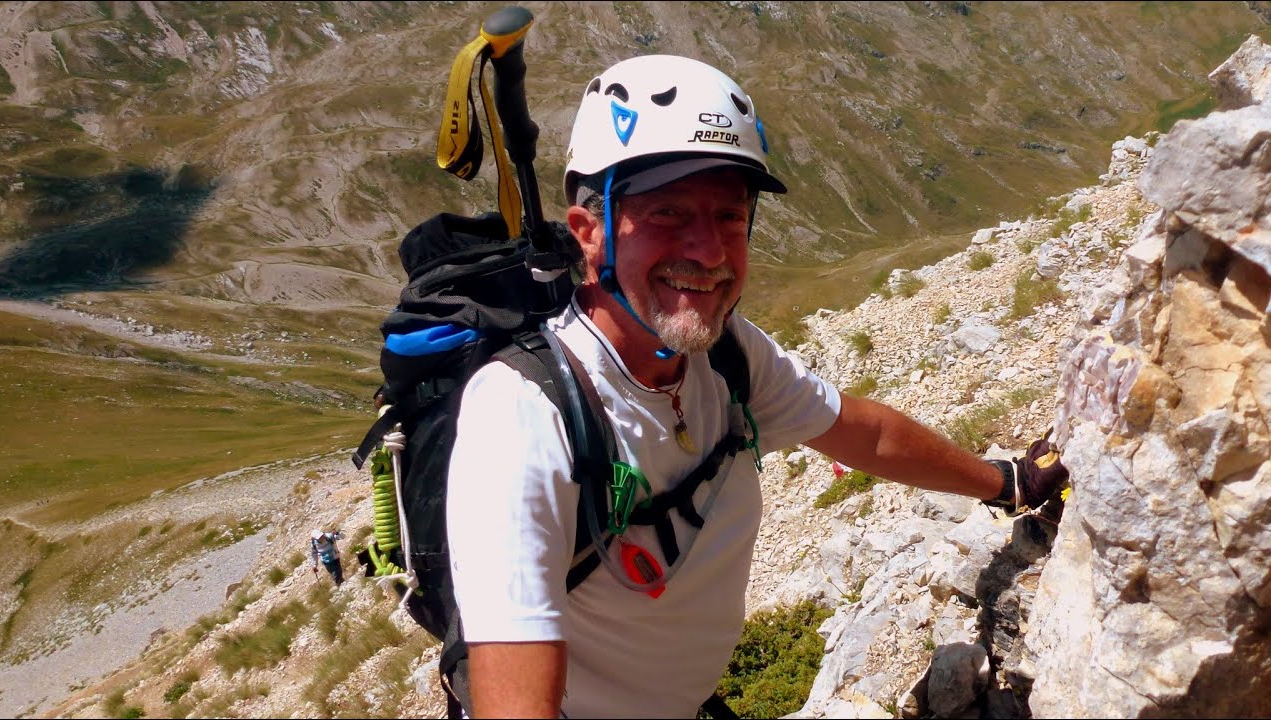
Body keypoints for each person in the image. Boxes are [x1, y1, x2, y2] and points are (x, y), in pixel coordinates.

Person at [445, 54, 1066, 718]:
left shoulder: (727, 356)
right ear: (588, 233)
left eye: (730, 216)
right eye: (668, 213)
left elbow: (864, 433)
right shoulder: (522, 418)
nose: (710, 252)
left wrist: (1005, 482)